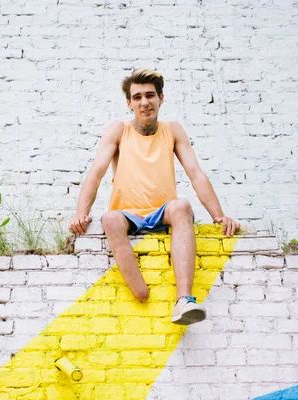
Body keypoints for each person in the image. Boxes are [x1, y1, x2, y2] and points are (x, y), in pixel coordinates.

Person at [69, 68, 240, 325]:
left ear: (161, 98)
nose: (144, 102)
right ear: (129, 103)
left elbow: (195, 174)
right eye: (137, 97)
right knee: (110, 219)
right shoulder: (118, 130)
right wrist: (80, 213)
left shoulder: (173, 130)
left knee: (182, 206)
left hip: (163, 210)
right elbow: (96, 173)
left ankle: (183, 300)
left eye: (150, 95)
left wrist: (219, 216)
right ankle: (140, 291)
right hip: (127, 214)